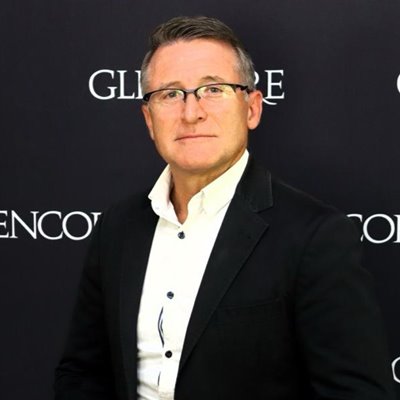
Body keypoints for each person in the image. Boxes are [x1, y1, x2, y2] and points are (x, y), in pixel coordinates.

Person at [54, 16, 395, 400]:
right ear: (149, 119)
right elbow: (82, 372)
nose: (191, 112)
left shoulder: (314, 237)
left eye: (213, 89)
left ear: (252, 108)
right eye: (170, 94)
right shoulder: (118, 227)